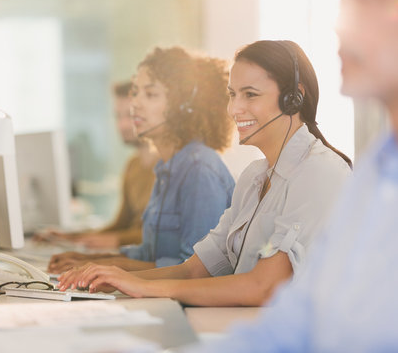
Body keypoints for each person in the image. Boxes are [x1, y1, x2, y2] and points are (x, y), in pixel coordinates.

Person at [57, 40, 352, 308]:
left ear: (294, 98)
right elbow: (193, 269)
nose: (235, 109)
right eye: (233, 95)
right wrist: (116, 277)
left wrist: (143, 286)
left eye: (250, 95)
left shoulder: (319, 171)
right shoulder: (254, 177)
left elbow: (262, 287)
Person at [183, 0, 398, 350]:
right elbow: (297, 320)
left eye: (372, 2)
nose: (340, 26)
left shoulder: (327, 172)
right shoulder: (373, 173)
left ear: (292, 98)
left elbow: (267, 290)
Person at [48, 47, 236, 273]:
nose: (135, 104)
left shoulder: (199, 171)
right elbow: (150, 254)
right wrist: (93, 259)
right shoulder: (167, 168)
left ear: (184, 106)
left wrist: (112, 267)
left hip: (187, 307)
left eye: (151, 94)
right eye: (136, 92)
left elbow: (195, 271)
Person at [49, 82, 158, 250]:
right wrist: (71, 238)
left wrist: (116, 240)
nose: (122, 125)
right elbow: (120, 225)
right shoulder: (133, 165)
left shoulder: (170, 167)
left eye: (130, 116)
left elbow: (164, 235)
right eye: (117, 116)